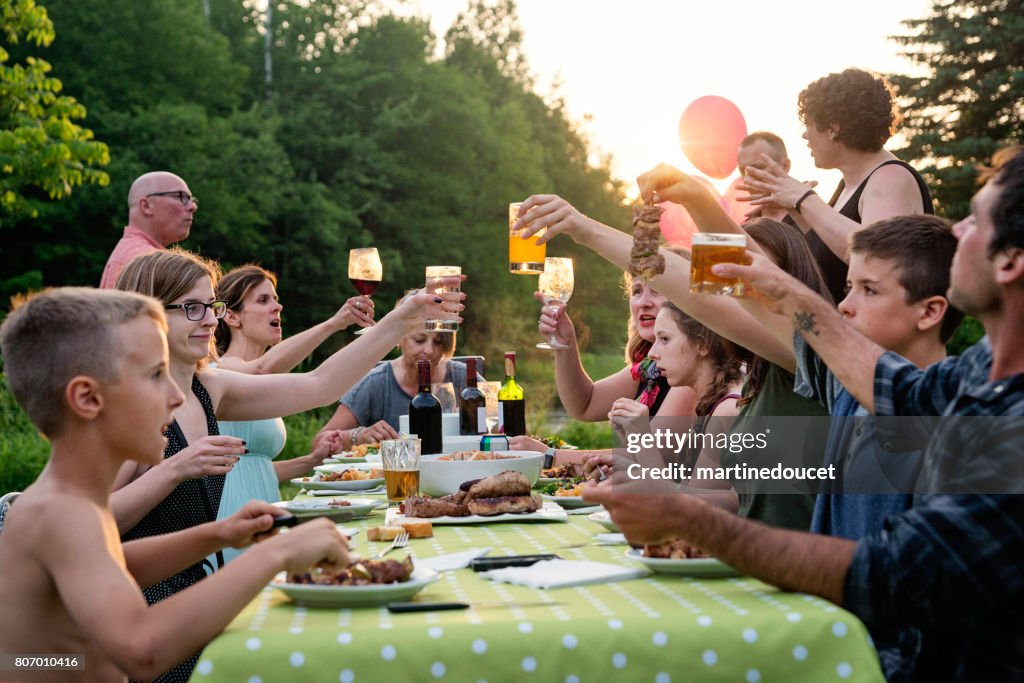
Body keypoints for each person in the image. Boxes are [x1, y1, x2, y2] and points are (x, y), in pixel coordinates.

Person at [584, 152, 1024, 681]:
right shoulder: (971, 372)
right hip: (833, 639)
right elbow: (899, 389)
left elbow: (898, 575)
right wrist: (782, 288)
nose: (959, 227)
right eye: (845, 290)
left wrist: (691, 520)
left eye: (976, 219)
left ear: (1011, 260)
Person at [110, 248, 459, 680]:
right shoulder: (127, 406)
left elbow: (320, 385)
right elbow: (93, 526)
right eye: (192, 308)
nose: (210, 320)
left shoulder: (208, 386)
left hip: (204, 596)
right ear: (147, 316)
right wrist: (174, 469)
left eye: (212, 307)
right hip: (145, 616)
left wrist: (400, 322)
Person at [0, 288, 349, 682]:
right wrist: (277, 553)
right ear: (87, 398)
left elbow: (115, 562)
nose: (174, 395)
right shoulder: (61, 512)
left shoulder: (69, 501)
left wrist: (218, 534)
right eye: (154, 375)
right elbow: (143, 650)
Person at [212, 264, 375, 563]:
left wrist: (312, 462)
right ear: (231, 316)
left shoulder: (261, 383)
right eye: (263, 300)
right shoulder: (220, 370)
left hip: (266, 511)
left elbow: (254, 467)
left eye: (275, 299)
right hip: (230, 515)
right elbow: (262, 369)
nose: (278, 306)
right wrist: (334, 324)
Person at [737, 68, 934, 303]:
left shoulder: (891, 177)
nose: (804, 136)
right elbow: (828, 253)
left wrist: (804, 200)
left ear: (833, 128)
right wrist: (796, 209)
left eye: (808, 124)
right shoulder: (848, 185)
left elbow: (878, 258)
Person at [507, 273, 700, 467]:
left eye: (657, 290)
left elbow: (651, 455)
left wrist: (549, 456)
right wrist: (564, 345)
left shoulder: (690, 373)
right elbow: (585, 403)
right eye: (637, 291)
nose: (643, 302)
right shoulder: (649, 368)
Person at [313, 292, 482, 451]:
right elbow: (319, 443)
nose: (429, 350)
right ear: (399, 338)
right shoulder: (377, 383)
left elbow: (500, 430)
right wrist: (357, 435)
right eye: (419, 339)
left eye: (438, 343)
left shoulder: (464, 378)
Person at [99, 172, 197, 289]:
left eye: (191, 199)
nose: (193, 207)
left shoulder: (129, 255)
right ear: (146, 206)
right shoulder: (146, 262)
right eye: (180, 196)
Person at [736, 131, 792, 222]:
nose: (747, 179)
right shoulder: (745, 230)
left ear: (785, 166)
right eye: (743, 171)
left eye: (757, 168)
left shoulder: (815, 219)